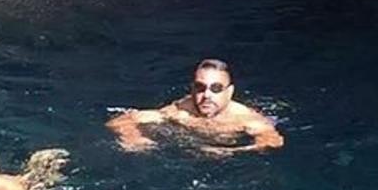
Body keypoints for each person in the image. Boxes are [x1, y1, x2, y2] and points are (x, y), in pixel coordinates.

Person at [106, 58, 284, 155]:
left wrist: (230, 151)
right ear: (192, 89)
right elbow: (120, 121)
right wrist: (134, 138)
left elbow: (273, 142)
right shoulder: (181, 111)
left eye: (216, 88)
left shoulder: (245, 119)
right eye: (200, 87)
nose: (207, 95)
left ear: (229, 92)